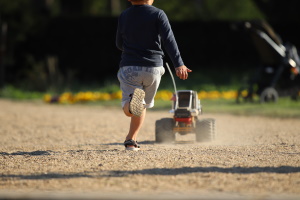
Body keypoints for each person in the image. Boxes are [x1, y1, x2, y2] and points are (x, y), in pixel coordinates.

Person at [116, 0, 192, 151]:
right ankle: (131, 140)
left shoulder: (124, 15)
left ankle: (131, 104)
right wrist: (179, 64)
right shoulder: (158, 14)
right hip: (153, 69)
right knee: (142, 104)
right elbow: (169, 40)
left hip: (130, 67)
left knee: (130, 107)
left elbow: (119, 43)